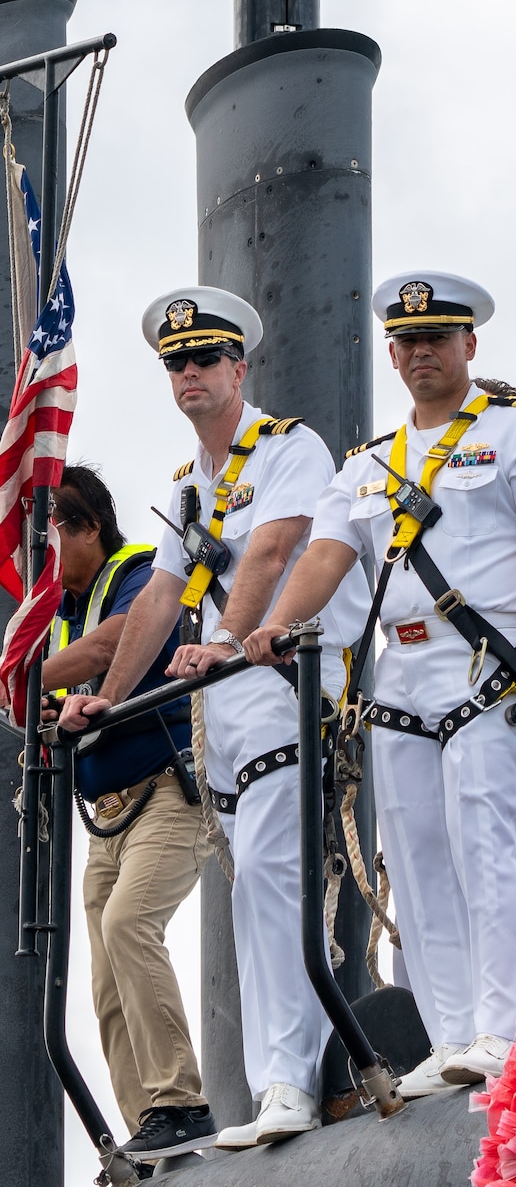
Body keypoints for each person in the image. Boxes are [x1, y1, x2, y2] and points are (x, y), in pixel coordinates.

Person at [243, 270, 516, 1097]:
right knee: (419, 862)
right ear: (392, 356)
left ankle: (508, 1029)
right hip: (396, 684)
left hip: (484, 671)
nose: (422, 352)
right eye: (408, 342)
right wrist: (274, 626)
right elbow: (326, 555)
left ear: (469, 345)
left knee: (486, 852)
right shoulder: (368, 465)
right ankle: (448, 1036)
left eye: (438, 338)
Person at [59, 287, 370, 1150]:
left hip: (279, 686)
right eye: (176, 363)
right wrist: (111, 700)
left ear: (239, 368)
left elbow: (274, 548)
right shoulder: (187, 488)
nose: (189, 373)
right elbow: (162, 597)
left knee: (277, 881)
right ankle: (280, 1078)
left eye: (204, 359)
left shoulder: (288, 446)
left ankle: (290, 1082)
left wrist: (227, 639)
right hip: (221, 713)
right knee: (253, 895)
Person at [42, 465, 214, 1163]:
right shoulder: (54, 618)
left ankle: (182, 1105)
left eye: (46, 533)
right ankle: (153, 1137)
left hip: (165, 792)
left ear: (85, 526)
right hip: (104, 818)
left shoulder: (139, 573)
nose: (35, 554)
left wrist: (17, 672)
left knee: (128, 924)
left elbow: (116, 642)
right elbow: (44, 703)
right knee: (106, 977)